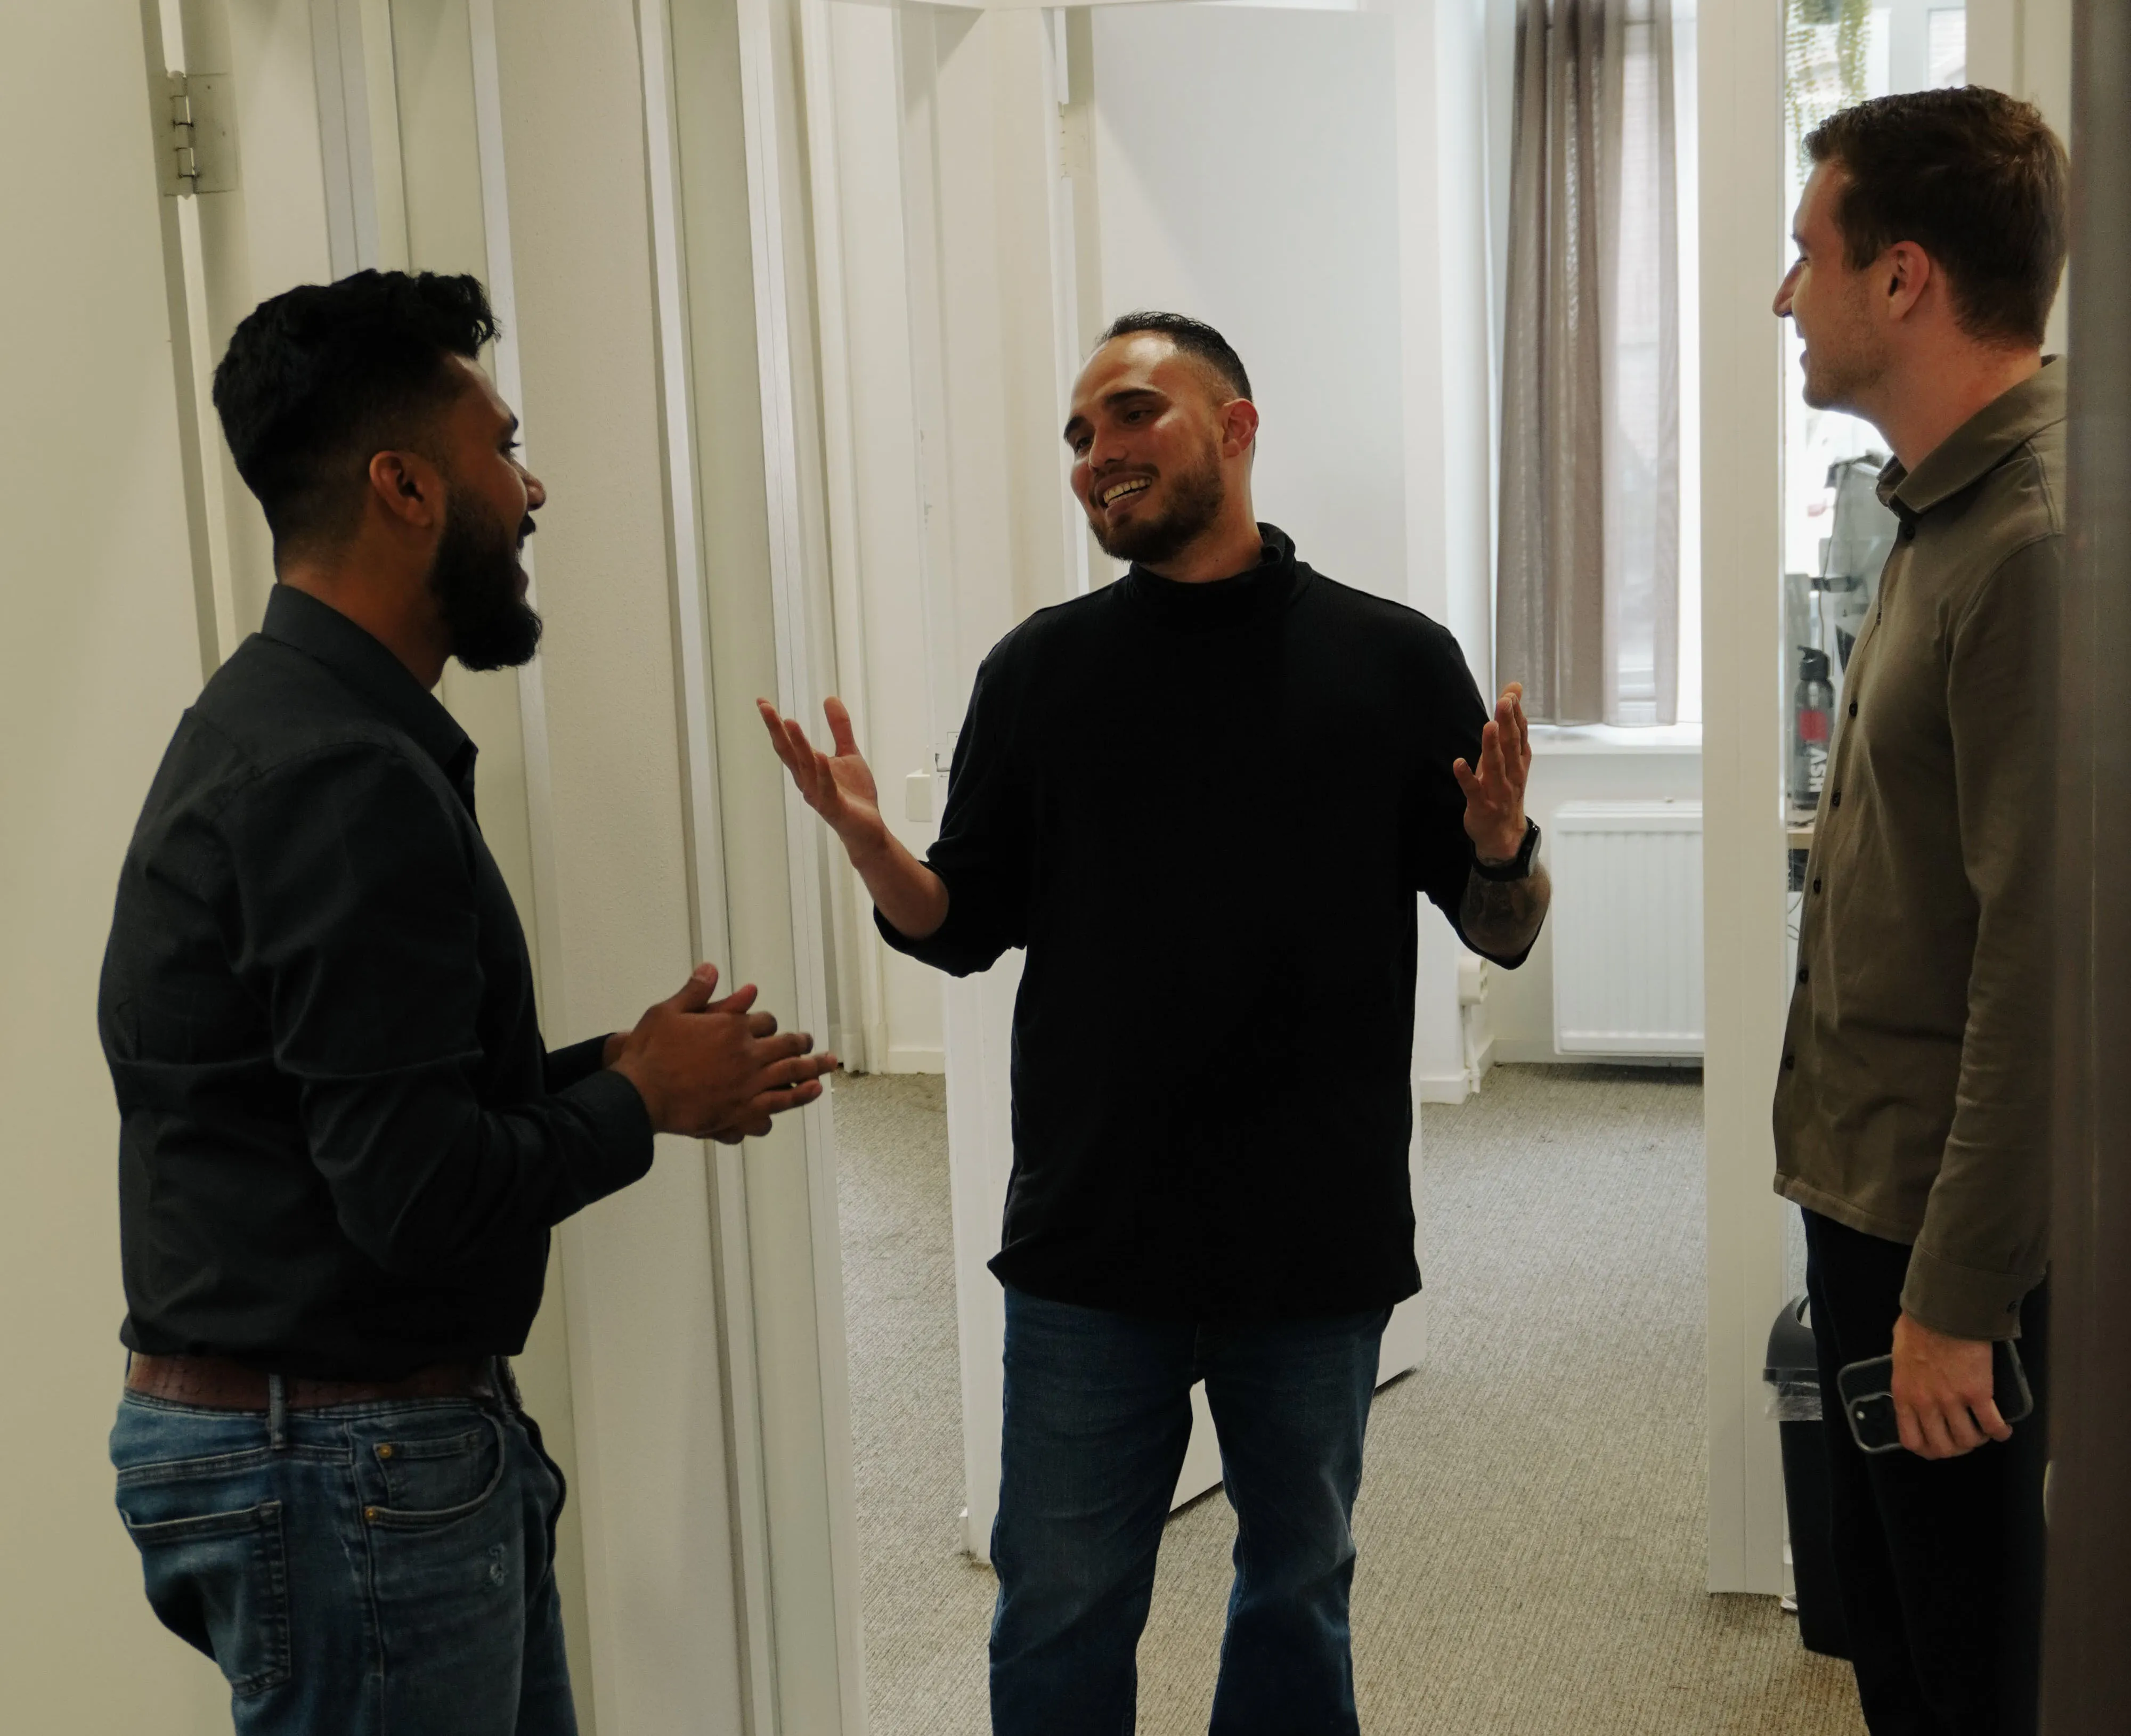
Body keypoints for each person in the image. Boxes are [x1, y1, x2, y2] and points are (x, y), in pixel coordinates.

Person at [760, 312, 1549, 1733]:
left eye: (1133, 414)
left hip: (1313, 1227)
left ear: (1237, 430)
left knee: (1298, 1586)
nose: (1097, 455)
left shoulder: (1390, 659)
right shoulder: (1040, 672)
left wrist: (1500, 848)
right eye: (1079, 435)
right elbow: (963, 925)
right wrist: (878, 852)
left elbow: (1500, 927)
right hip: (1093, 1230)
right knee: (1059, 1598)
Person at [99, 270, 836, 1735]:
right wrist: (641, 1101)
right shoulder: (339, 776)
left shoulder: (291, 726)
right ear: (405, 486)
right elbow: (416, 1195)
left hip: (341, 1448)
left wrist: (613, 1065)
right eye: (502, 447)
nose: (532, 486)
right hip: (348, 1464)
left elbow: (352, 1105)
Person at [1770, 89, 2067, 1735]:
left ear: (1902, 278)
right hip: (1874, 1187)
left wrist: (1956, 1298)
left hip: (1944, 1231)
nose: (1785, 296)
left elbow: (2047, 968)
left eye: (1805, 254)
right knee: (1892, 1638)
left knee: (1969, 1675)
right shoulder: (1939, 510)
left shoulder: (2032, 542)